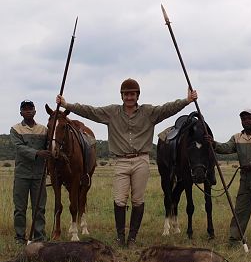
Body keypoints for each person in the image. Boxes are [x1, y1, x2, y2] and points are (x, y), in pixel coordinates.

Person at [56, 78, 198, 247]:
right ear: (121, 96)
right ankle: (120, 236)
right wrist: (67, 105)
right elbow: (90, 111)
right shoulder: (112, 112)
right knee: (119, 199)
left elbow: (167, 109)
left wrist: (186, 101)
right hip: (121, 160)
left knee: (138, 199)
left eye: (132, 94)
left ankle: (132, 238)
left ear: (137, 95)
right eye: (126, 94)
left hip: (141, 160)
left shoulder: (148, 112)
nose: (129, 97)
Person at [205, 109, 251, 248]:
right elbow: (226, 148)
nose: (246, 121)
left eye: (249, 118)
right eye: (243, 119)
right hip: (245, 182)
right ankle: (234, 240)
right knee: (240, 212)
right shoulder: (237, 137)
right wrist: (213, 143)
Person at [10, 100, 51, 244]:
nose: (28, 111)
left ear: (35, 111)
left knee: (39, 208)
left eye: (30, 109)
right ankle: (20, 237)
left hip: (39, 175)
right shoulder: (15, 129)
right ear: (21, 112)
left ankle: (39, 236)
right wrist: (37, 153)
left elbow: (50, 146)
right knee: (20, 208)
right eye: (25, 109)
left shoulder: (44, 130)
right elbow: (20, 148)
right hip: (22, 174)